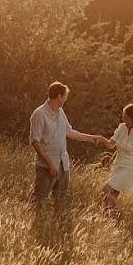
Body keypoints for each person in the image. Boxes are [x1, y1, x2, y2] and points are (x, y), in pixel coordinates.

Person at [29, 81, 103, 209]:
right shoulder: (39, 114)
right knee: (38, 200)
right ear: (59, 96)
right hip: (47, 166)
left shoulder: (60, 112)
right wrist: (50, 163)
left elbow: (69, 131)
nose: (66, 99)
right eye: (65, 96)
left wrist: (91, 138)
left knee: (61, 201)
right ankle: (31, 225)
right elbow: (35, 142)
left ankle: (58, 227)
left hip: (63, 164)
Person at [99, 103, 133, 210]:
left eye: (127, 118)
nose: (124, 120)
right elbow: (111, 145)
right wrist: (102, 139)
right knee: (110, 196)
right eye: (123, 117)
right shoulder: (121, 127)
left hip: (130, 168)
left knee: (106, 189)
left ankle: (122, 210)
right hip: (118, 164)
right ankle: (114, 221)